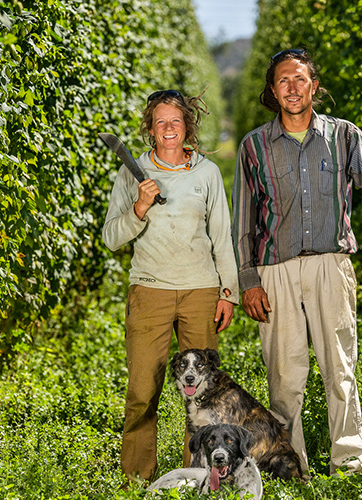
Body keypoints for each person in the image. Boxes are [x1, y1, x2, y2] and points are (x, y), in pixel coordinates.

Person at [232, 49, 362, 476]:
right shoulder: (254, 146)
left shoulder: (344, 136)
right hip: (275, 271)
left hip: (330, 266)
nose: (292, 88)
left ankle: (348, 463)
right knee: (284, 378)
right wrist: (249, 281)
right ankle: (289, 465)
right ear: (273, 91)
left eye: (300, 79)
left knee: (340, 369)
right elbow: (242, 221)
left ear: (314, 86)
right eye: (283, 81)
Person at [102, 88, 239, 483]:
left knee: (203, 397)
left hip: (200, 291)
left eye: (175, 121)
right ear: (150, 127)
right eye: (160, 121)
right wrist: (139, 210)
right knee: (143, 392)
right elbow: (112, 236)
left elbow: (221, 235)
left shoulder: (207, 174)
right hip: (150, 291)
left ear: (187, 126)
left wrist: (227, 292)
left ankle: (196, 477)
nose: (168, 129)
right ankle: (136, 479)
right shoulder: (133, 172)